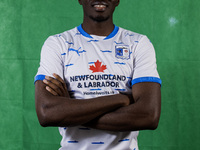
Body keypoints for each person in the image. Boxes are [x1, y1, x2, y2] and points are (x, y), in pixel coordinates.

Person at [34, 0, 161, 149]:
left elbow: (148, 115)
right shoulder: (57, 44)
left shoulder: (138, 43)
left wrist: (71, 110)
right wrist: (120, 99)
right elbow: (46, 113)